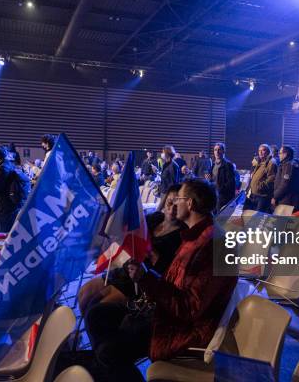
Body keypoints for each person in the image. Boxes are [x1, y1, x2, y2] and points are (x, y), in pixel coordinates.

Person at [85, 179, 236, 381]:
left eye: (178, 199)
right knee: (97, 315)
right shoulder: (196, 236)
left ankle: (110, 364)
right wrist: (146, 276)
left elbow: (190, 308)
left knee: (108, 352)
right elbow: (176, 282)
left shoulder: (213, 245)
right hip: (165, 311)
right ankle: (110, 369)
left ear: (189, 204)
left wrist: (146, 279)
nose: (173, 205)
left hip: (181, 328)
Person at [78, 184, 184, 316]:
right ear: (165, 200)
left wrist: (151, 251)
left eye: (177, 205)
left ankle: (99, 332)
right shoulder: (155, 217)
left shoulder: (181, 235)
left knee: (97, 309)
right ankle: (92, 332)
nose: (172, 209)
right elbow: (133, 230)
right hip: (125, 268)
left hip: (141, 281)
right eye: (170, 202)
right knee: (84, 293)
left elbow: (168, 269)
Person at [245, 144, 277, 212]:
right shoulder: (260, 162)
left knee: (258, 219)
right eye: (259, 150)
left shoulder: (271, 163)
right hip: (254, 195)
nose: (260, 152)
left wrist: (259, 186)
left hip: (262, 197)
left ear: (268, 152)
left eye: (263, 150)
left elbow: (271, 179)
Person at [272, 146, 299, 212]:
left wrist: (275, 197)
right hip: (290, 201)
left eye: (280, 153)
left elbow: (285, 185)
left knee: (285, 221)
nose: (279, 155)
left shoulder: (288, 165)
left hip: (288, 201)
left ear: (285, 154)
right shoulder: (289, 164)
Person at [208, 142, 236, 209]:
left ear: (223, 151)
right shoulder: (213, 165)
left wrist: (220, 190)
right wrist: (209, 179)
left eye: (219, 149)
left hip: (223, 197)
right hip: (214, 195)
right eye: (215, 150)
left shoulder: (228, 165)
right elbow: (214, 179)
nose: (217, 152)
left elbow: (231, 183)